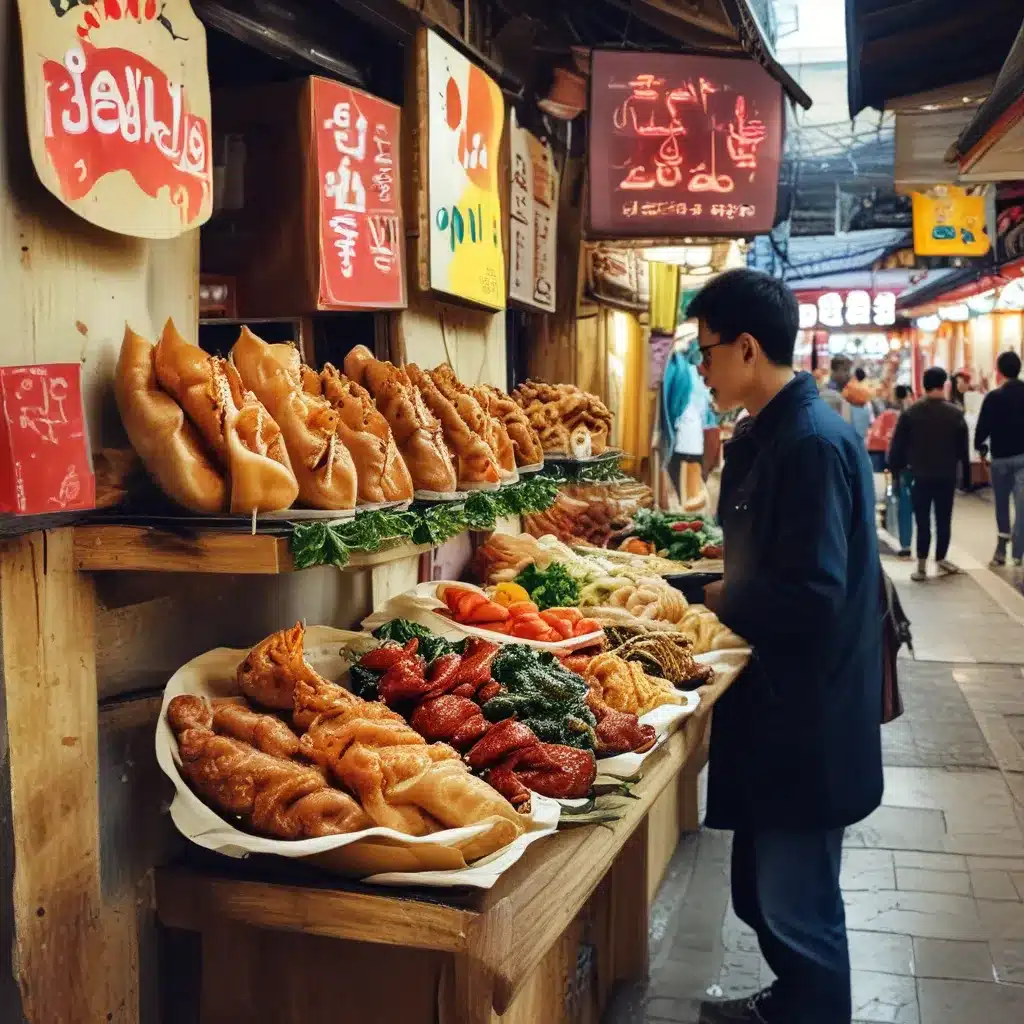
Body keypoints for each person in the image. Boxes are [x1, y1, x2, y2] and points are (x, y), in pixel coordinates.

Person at [685, 269, 883, 1024]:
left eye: (705, 352)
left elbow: (813, 593)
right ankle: (788, 1004)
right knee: (764, 891)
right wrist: (696, 582)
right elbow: (770, 562)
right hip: (782, 706)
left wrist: (709, 597)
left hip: (807, 713)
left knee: (797, 904)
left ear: (746, 347)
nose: (699, 368)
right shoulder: (773, 433)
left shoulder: (808, 443)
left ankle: (811, 1011)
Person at [888, 367, 969, 581]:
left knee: (922, 519)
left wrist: (895, 470)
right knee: (944, 518)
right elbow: (963, 449)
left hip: (919, 475)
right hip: (946, 474)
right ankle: (941, 558)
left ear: (923, 385)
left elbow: (898, 447)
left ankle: (921, 565)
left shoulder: (910, 413)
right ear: (944, 384)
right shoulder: (955, 414)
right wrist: (966, 478)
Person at [975, 350, 1024, 567]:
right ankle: (1018, 551)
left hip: (1001, 459)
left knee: (1002, 505)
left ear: (999, 371)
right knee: (1022, 506)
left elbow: (982, 430)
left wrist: (981, 449)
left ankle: (1001, 550)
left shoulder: (993, 398)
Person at [842, 367, 875, 443]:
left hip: (851, 439)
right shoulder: (868, 393)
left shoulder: (849, 388)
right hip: (863, 440)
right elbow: (871, 421)